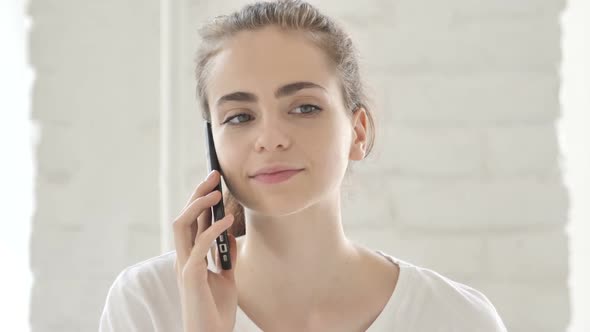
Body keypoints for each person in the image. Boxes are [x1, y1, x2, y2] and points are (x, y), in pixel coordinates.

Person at [99, 0, 507, 331]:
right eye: (239, 116)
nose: (270, 137)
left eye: (305, 107)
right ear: (213, 142)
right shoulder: (148, 304)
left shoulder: (455, 318)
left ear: (358, 132)